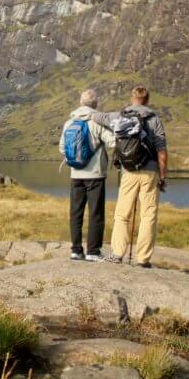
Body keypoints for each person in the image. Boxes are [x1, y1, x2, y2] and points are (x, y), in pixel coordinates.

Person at [91, 86, 168, 268]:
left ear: (132, 98)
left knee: (122, 214)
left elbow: (97, 116)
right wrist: (163, 176)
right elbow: (162, 152)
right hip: (150, 172)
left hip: (128, 171)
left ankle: (117, 254)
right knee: (148, 215)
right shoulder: (154, 119)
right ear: (147, 100)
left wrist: (86, 112)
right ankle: (143, 259)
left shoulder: (120, 116)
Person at [59, 88, 116, 262]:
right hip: (95, 175)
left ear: (80, 103)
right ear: (95, 104)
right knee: (95, 213)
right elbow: (113, 142)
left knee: (75, 213)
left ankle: (76, 250)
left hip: (75, 175)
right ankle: (93, 251)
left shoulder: (69, 123)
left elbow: (62, 148)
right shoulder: (97, 122)